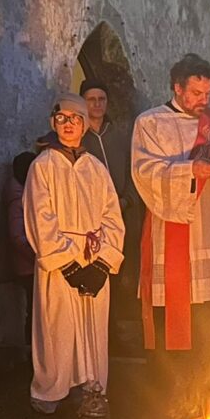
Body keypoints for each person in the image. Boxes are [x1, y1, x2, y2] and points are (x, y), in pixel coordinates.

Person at [131, 53, 210, 403]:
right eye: (196, 93)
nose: (203, 100)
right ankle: (174, 397)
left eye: (208, 93)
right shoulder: (150, 123)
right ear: (177, 87)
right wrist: (188, 171)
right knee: (177, 318)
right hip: (175, 230)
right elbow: (143, 172)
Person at [23, 93, 125, 416]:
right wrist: (67, 264)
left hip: (93, 259)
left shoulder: (95, 168)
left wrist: (103, 263)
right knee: (58, 326)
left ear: (84, 125)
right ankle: (51, 389)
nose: (68, 125)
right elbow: (40, 217)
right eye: (62, 119)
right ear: (53, 123)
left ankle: (92, 388)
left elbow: (112, 216)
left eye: (75, 119)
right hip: (60, 264)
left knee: (93, 327)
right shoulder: (42, 167)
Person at [80, 79, 142, 355]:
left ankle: (115, 333)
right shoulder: (79, 139)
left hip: (121, 216)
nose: (97, 104)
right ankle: (95, 335)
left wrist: (126, 200)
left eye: (101, 99)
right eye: (91, 99)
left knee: (119, 274)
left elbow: (133, 173)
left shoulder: (119, 136)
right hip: (90, 222)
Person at [6, 151, 38, 345]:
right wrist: (37, 256)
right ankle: (31, 350)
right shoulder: (18, 200)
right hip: (29, 265)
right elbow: (17, 236)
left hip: (31, 263)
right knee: (34, 310)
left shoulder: (24, 194)